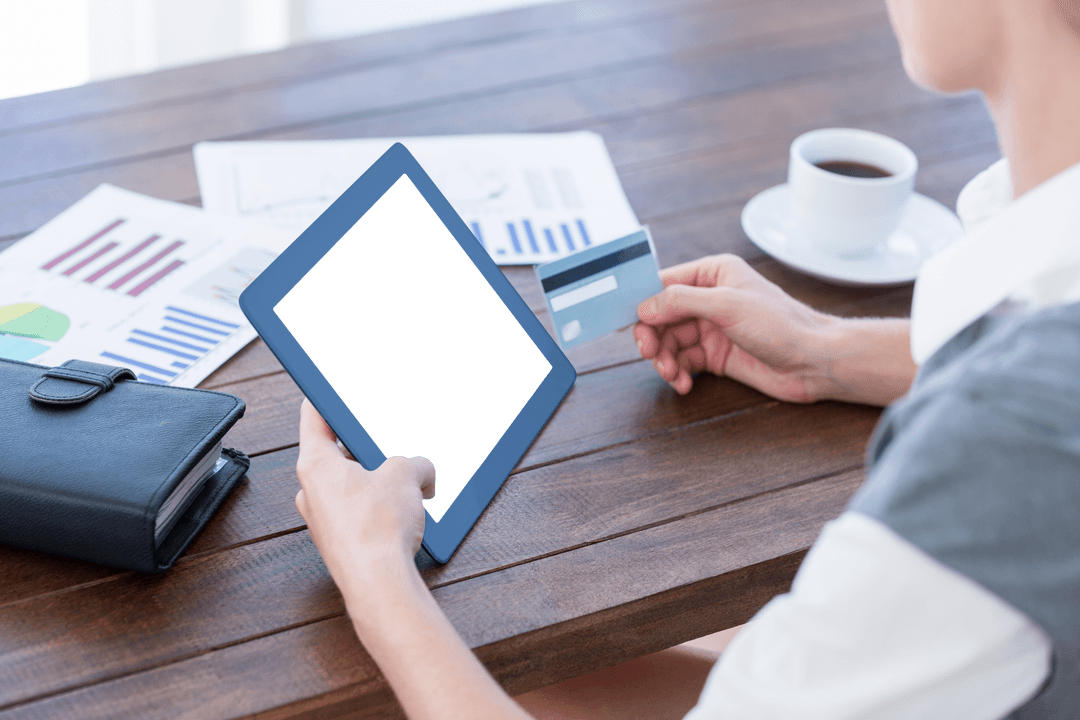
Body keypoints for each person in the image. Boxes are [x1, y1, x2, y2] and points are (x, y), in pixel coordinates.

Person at [293, 0, 1080, 716]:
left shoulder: (1004, 453)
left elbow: (1029, 433)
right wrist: (826, 352)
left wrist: (373, 572)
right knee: (555, 673)